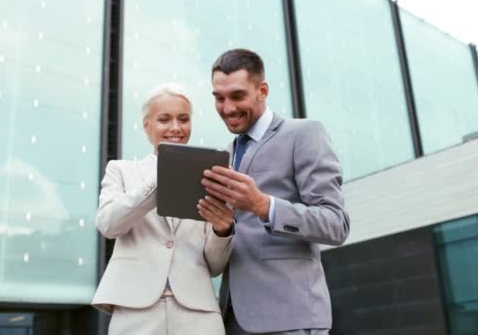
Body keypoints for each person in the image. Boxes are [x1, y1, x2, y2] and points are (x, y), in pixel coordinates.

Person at [199, 49, 350, 334]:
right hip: (232, 317)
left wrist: (263, 205)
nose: (227, 108)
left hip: (290, 317)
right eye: (219, 98)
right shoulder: (225, 155)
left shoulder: (304, 134)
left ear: (262, 90)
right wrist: (222, 228)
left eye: (237, 96)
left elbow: (336, 224)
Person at [92, 83, 235, 335]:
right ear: (147, 126)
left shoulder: (211, 175)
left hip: (198, 311)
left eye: (183, 119)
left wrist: (222, 231)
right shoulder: (121, 170)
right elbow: (108, 225)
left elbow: (214, 265)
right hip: (135, 307)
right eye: (164, 119)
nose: (176, 128)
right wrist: (159, 180)